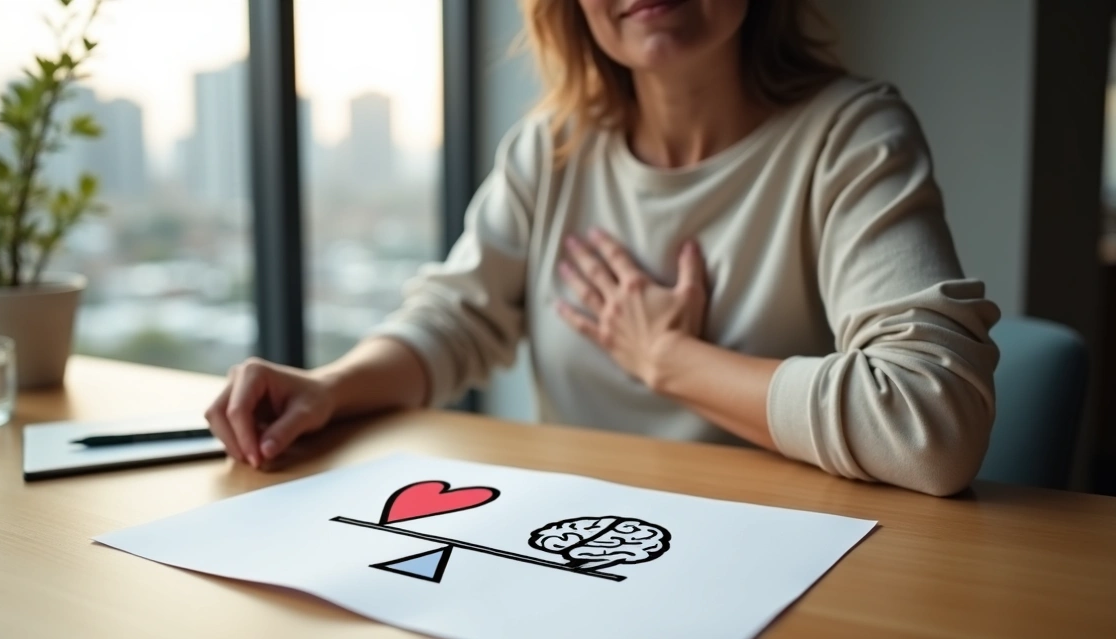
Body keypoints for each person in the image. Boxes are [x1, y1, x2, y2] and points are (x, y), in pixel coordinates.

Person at [205, 0, 1001, 497]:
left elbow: (932, 427)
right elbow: (453, 321)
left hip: (787, 562)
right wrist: (329, 386)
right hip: (577, 554)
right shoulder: (550, 149)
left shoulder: (850, 135)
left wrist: (667, 358)